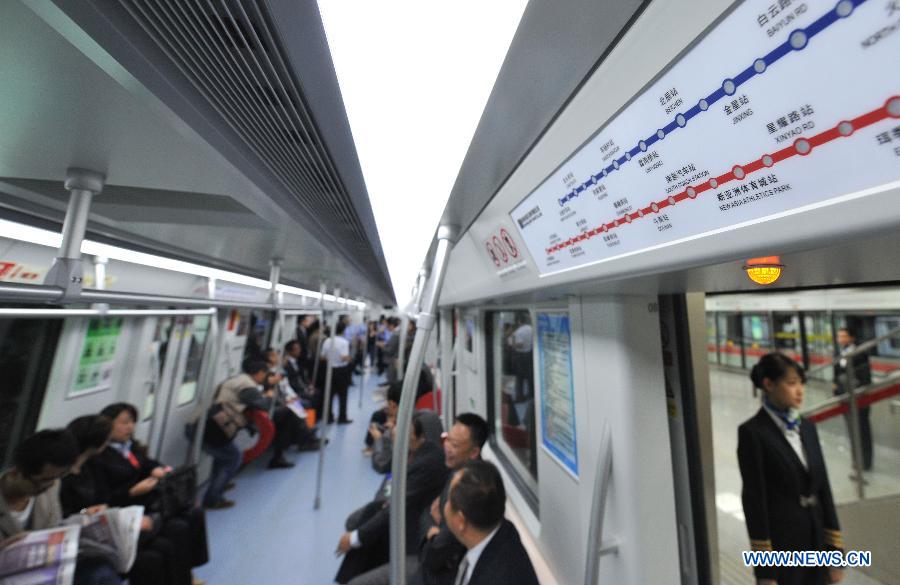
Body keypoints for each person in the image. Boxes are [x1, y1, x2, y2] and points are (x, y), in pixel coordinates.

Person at [738, 352, 844, 585]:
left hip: (816, 544)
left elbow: (823, 489)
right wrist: (765, 572)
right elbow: (755, 502)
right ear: (768, 385)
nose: (800, 391)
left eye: (801, 384)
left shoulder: (807, 427)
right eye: (791, 383)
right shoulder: (753, 433)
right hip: (783, 550)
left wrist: (835, 553)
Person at [61, 415, 188, 585]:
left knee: (164, 545)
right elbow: (67, 516)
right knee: (153, 553)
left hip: (106, 521)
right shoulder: (67, 476)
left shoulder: (90, 466)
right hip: (85, 536)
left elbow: (105, 499)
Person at [94, 403, 209, 584]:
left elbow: (148, 463)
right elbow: (104, 498)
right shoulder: (99, 457)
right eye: (124, 422)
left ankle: (187, 570)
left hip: (149, 502)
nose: (130, 427)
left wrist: (158, 469)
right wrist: (131, 492)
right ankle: (182, 578)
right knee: (178, 528)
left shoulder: (131, 448)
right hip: (128, 509)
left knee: (195, 514)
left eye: (132, 422)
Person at [335, 412, 449, 583]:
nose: (398, 445)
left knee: (367, 532)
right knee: (358, 521)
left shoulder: (428, 462)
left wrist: (355, 538)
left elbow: (397, 506)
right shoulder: (411, 450)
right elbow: (384, 465)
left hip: (413, 533)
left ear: (417, 437)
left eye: (401, 439)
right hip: (406, 512)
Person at [0, 429, 122, 585]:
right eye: (43, 480)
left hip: (44, 571)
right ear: (17, 472)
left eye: (56, 478)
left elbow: (54, 528)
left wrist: (84, 517)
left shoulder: (51, 487)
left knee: (100, 569)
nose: (49, 486)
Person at [415, 413, 489, 585]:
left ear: (474, 452)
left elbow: (433, 555)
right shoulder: (459, 471)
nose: (446, 447)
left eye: (454, 445)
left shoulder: (468, 492)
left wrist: (431, 528)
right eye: (447, 439)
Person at [443, 460, 538, 585]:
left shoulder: (500, 576)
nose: (445, 505)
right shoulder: (503, 531)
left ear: (461, 521)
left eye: (448, 501)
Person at [833, 327, 874, 473]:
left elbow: (865, 376)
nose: (841, 339)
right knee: (851, 430)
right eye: (839, 336)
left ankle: (866, 462)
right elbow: (836, 373)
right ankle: (857, 460)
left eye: (844, 336)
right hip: (845, 396)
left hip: (859, 397)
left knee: (862, 429)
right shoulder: (839, 353)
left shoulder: (860, 353)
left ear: (851, 337)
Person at [322, 320, 354, 424]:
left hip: (329, 370)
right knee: (342, 395)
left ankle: (329, 417)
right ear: (344, 330)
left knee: (329, 394)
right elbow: (344, 357)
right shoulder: (344, 342)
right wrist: (350, 359)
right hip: (341, 371)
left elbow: (322, 357)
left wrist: (331, 359)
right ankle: (342, 417)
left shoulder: (327, 341)